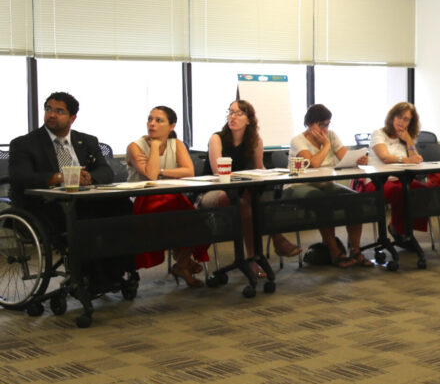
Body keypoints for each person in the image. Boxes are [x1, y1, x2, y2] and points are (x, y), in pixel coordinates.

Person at [9, 92, 132, 294]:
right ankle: (91, 277)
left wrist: (90, 178)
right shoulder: (24, 144)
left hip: (84, 201)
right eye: (48, 109)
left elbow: (106, 171)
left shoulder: (88, 141)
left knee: (122, 207)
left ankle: (113, 274)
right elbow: (20, 177)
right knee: (88, 217)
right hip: (45, 207)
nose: (51, 115)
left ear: (72, 118)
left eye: (59, 111)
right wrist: (60, 177)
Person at [199, 99, 300, 278]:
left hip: (241, 193)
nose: (233, 117)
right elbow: (218, 172)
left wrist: (271, 175)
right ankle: (263, 250)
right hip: (213, 192)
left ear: (249, 120)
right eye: (230, 112)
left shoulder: (255, 140)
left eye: (239, 113)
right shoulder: (217, 138)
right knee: (247, 202)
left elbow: (259, 168)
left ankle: (255, 255)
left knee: (248, 202)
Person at [125, 106, 209, 288]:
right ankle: (184, 263)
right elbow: (151, 176)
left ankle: (182, 263)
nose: (152, 124)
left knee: (198, 223)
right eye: (150, 119)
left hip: (171, 197)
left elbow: (189, 171)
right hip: (143, 199)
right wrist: (154, 147)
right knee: (177, 214)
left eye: (158, 120)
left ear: (172, 126)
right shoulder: (135, 147)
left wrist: (163, 171)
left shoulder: (176, 144)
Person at [287, 104, 371, 268]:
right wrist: (326, 145)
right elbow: (314, 163)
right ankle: (335, 252)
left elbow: (344, 158)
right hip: (299, 185)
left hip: (325, 184)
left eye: (327, 124)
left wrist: (358, 160)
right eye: (321, 124)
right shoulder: (298, 140)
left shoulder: (331, 135)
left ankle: (355, 250)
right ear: (310, 124)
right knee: (321, 200)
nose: (325, 129)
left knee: (354, 199)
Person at [362, 102, 428, 237]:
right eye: (399, 117)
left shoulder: (405, 137)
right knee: (400, 191)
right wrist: (405, 160)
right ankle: (398, 230)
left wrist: (409, 140)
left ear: (410, 122)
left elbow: (415, 159)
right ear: (392, 117)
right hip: (376, 181)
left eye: (406, 119)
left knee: (421, 190)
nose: (401, 122)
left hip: (399, 179)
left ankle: (407, 230)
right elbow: (385, 157)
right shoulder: (378, 133)